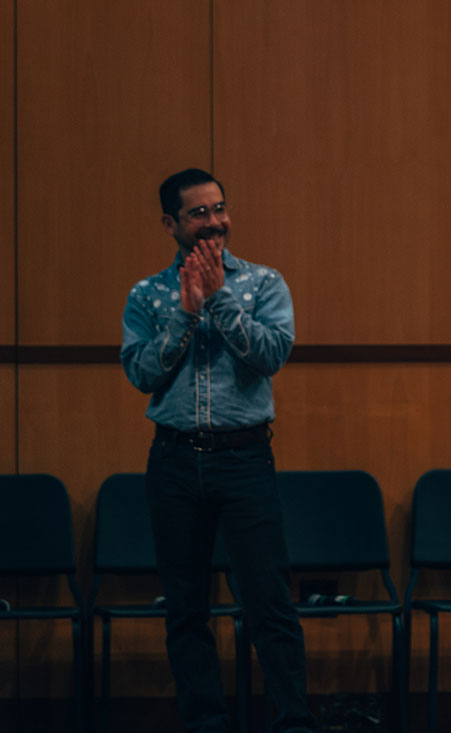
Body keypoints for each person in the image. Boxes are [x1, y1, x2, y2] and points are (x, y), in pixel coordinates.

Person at [121, 168, 315, 733]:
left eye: (220, 209)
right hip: (175, 462)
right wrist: (185, 312)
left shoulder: (264, 283)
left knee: (269, 602)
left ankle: (293, 721)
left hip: (244, 459)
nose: (214, 222)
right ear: (170, 223)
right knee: (185, 609)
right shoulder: (147, 295)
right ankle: (206, 721)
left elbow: (272, 356)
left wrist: (221, 301)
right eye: (199, 213)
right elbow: (140, 372)